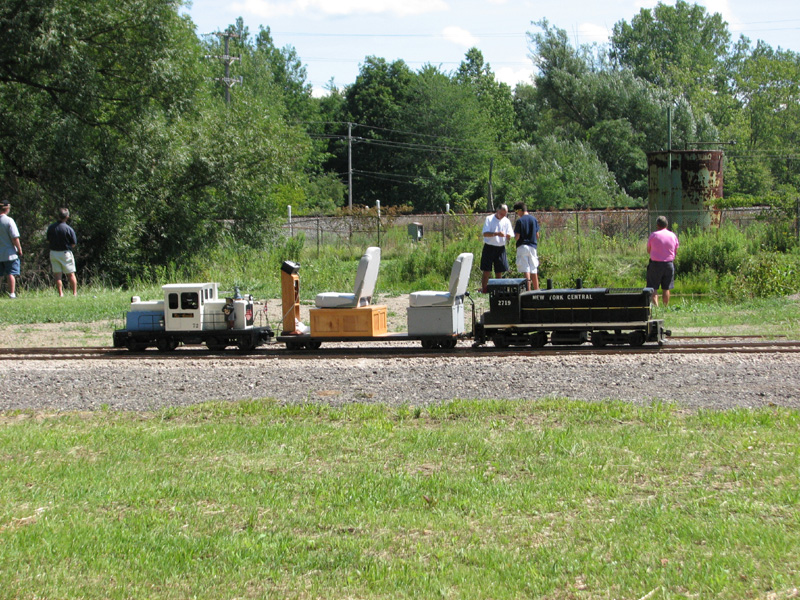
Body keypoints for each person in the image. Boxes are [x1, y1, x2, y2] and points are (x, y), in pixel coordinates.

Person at [646, 215, 680, 307]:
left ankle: (656, 307)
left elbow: (648, 250)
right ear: (667, 224)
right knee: (666, 288)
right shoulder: (673, 235)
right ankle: (665, 307)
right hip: (669, 264)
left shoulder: (653, 235)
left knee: (653, 288)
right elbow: (676, 250)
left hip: (655, 265)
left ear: (657, 225)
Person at [479, 204, 514, 293]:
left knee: (499, 271)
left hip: (500, 248)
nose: (503, 216)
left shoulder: (506, 221)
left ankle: (499, 289)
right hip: (489, 247)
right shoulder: (489, 219)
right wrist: (496, 233)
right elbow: (485, 233)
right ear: (497, 211)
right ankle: (484, 289)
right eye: (501, 214)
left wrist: (508, 236)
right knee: (486, 270)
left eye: (504, 214)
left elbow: (510, 234)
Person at [46, 207, 78, 297]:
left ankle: (60, 293)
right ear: (67, 217)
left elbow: (48, 240)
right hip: (65, 253)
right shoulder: (68, 228)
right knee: (71, 274)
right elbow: (73, 243)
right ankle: (74, 293)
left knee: (57, 275)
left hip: (54, 253)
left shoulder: (51, 227)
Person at [513, 201, 540, 291]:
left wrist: (514, 237)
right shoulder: (534, 220)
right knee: (533, 269)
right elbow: (537, 235)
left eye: (516, 212)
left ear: (520, 210)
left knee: (526, 269)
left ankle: (528, 291)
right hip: (533, 246)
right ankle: (536, 290)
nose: (517, 214)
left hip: (522, 246)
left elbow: (517, 237)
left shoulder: (520, 221)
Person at [0, 200, 22, 299]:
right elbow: (15, 237)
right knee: (11, 273)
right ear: (7, 209)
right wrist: (19, 249)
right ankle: (12, 293)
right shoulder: (9, 220)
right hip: (9, 253)